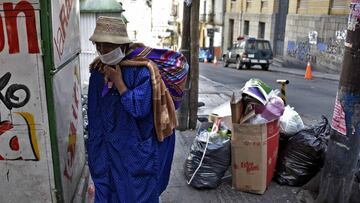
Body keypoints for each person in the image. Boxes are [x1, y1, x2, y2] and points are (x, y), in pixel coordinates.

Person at [87, 16, 187, 202]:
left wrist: (118, 82)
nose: (102, 51)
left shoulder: (141, 71)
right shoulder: (98, 71)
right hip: (105, 150)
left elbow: (138, 108)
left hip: (134, 152)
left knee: (137, 195)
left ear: (122, 46)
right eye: (99, 46)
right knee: (107, 193)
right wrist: (93, 143)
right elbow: (94, 112)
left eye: (108, 46)